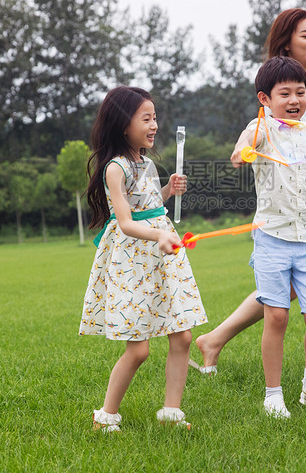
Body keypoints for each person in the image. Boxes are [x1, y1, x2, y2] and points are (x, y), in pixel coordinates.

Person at [194, 8, 306, 381]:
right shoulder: (277, 87)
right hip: (285, 201)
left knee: (290, 286)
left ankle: (213, 340)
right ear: (286, 41)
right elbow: (278, 133)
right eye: (305, 35)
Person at [231, 56, 306, 418]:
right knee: (277, 317)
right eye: (284, 93)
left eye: (300, 92)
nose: (294, 100)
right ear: (265, 98)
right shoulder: (260, 129)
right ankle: (273, 395)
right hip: (271, 240)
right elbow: (239, 154)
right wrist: (245, 153)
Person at [79, 86, 207, 432]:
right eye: (146, 119)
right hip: (134, 260)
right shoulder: (115, 169)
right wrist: (161, 234)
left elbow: (149, 204)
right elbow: (125, 222)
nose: (154, 126)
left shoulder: (146, 163)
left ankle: (171, 413)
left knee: (181, 336)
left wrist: (168, 190)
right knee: (138, 351)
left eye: (155, 118)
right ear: (124, 124)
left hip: (163, 255)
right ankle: (105, 416)